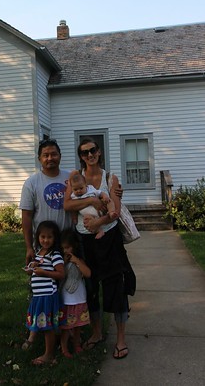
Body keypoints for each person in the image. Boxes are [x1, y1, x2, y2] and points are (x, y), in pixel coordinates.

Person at [64, 138, 136, 359]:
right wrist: (92, 203)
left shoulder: (109, 178)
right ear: (81, 156)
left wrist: (98, 222)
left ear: (99, 152)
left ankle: (121, 339)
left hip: (109, 239)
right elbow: (67, 205)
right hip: (84, 242)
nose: (89, 155)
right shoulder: (76, 178)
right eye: (84, 152)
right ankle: (96, 333)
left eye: (93, 150)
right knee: (91, 286)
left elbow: (115, 210)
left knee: (116, 284)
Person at [20, 138, 72, 350]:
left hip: (67, 244)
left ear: (60, 155)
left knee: (67, 288)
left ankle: (64, 330)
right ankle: (34, 332)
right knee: (39, 290)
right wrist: (30, 247)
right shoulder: (32, 183)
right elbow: (26, 217)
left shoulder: (70, 178)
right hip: (44, 245)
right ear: (40, 158)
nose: (50, 158)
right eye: (45, 155)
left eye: (54, 154)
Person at [24, 221, 65, 365]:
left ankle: (49, 354)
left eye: (49, 237)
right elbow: (35, 269)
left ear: (55, 239)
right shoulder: (39, 253)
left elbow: (61, 274)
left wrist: (44, 273)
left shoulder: (55, 255)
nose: (46, 240)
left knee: (48, 327)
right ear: (38, 237)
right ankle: (47, 350)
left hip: (48, 295)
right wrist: (31, 268)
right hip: (38, 296)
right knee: (43, 324)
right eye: (43, 237)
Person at [59, 229, 91, 358]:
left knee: (78, 326)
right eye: (63, 248)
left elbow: (88, 273)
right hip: (67, 299)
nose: (65, 251)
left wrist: (77, 261)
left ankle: (77, 344)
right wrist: (64, 263)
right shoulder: (61, 263)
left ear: (74, 246)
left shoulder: (79, 261)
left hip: (79, 298)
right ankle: (64, 348)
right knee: (66, 327)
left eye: (67, 247)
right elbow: (59, 277)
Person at [69, 170, 118, 239]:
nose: (78, 191)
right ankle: (99, 231)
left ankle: (111, 212)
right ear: (72, 189)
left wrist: (105, 197)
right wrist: (74, 218)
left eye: (81, 188)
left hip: (102, 211)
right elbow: (72, 207)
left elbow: (100, 193)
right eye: (75, 189)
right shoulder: (73, 196)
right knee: (86, 221)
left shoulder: (90, 190)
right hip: (89, 215)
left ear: (85, 185)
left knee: (110, 201)